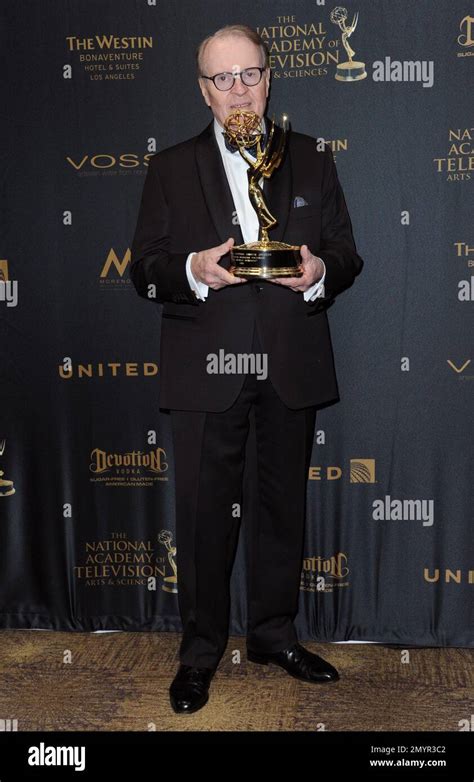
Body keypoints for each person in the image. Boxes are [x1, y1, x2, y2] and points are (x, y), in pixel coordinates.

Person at [130, 24, 363, 714]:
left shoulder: (315, 158)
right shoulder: (169, 168)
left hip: (289, 364)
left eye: (250, 74)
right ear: (203, 91)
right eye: (223, 78)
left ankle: (273, 636)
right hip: (206, 369)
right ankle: (200, 653)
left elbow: (347, 255)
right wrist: (193, 270)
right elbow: (143, 271)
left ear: (269, 79)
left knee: (280, 510)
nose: (239, 90)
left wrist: (321, 272)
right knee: (204, 518)